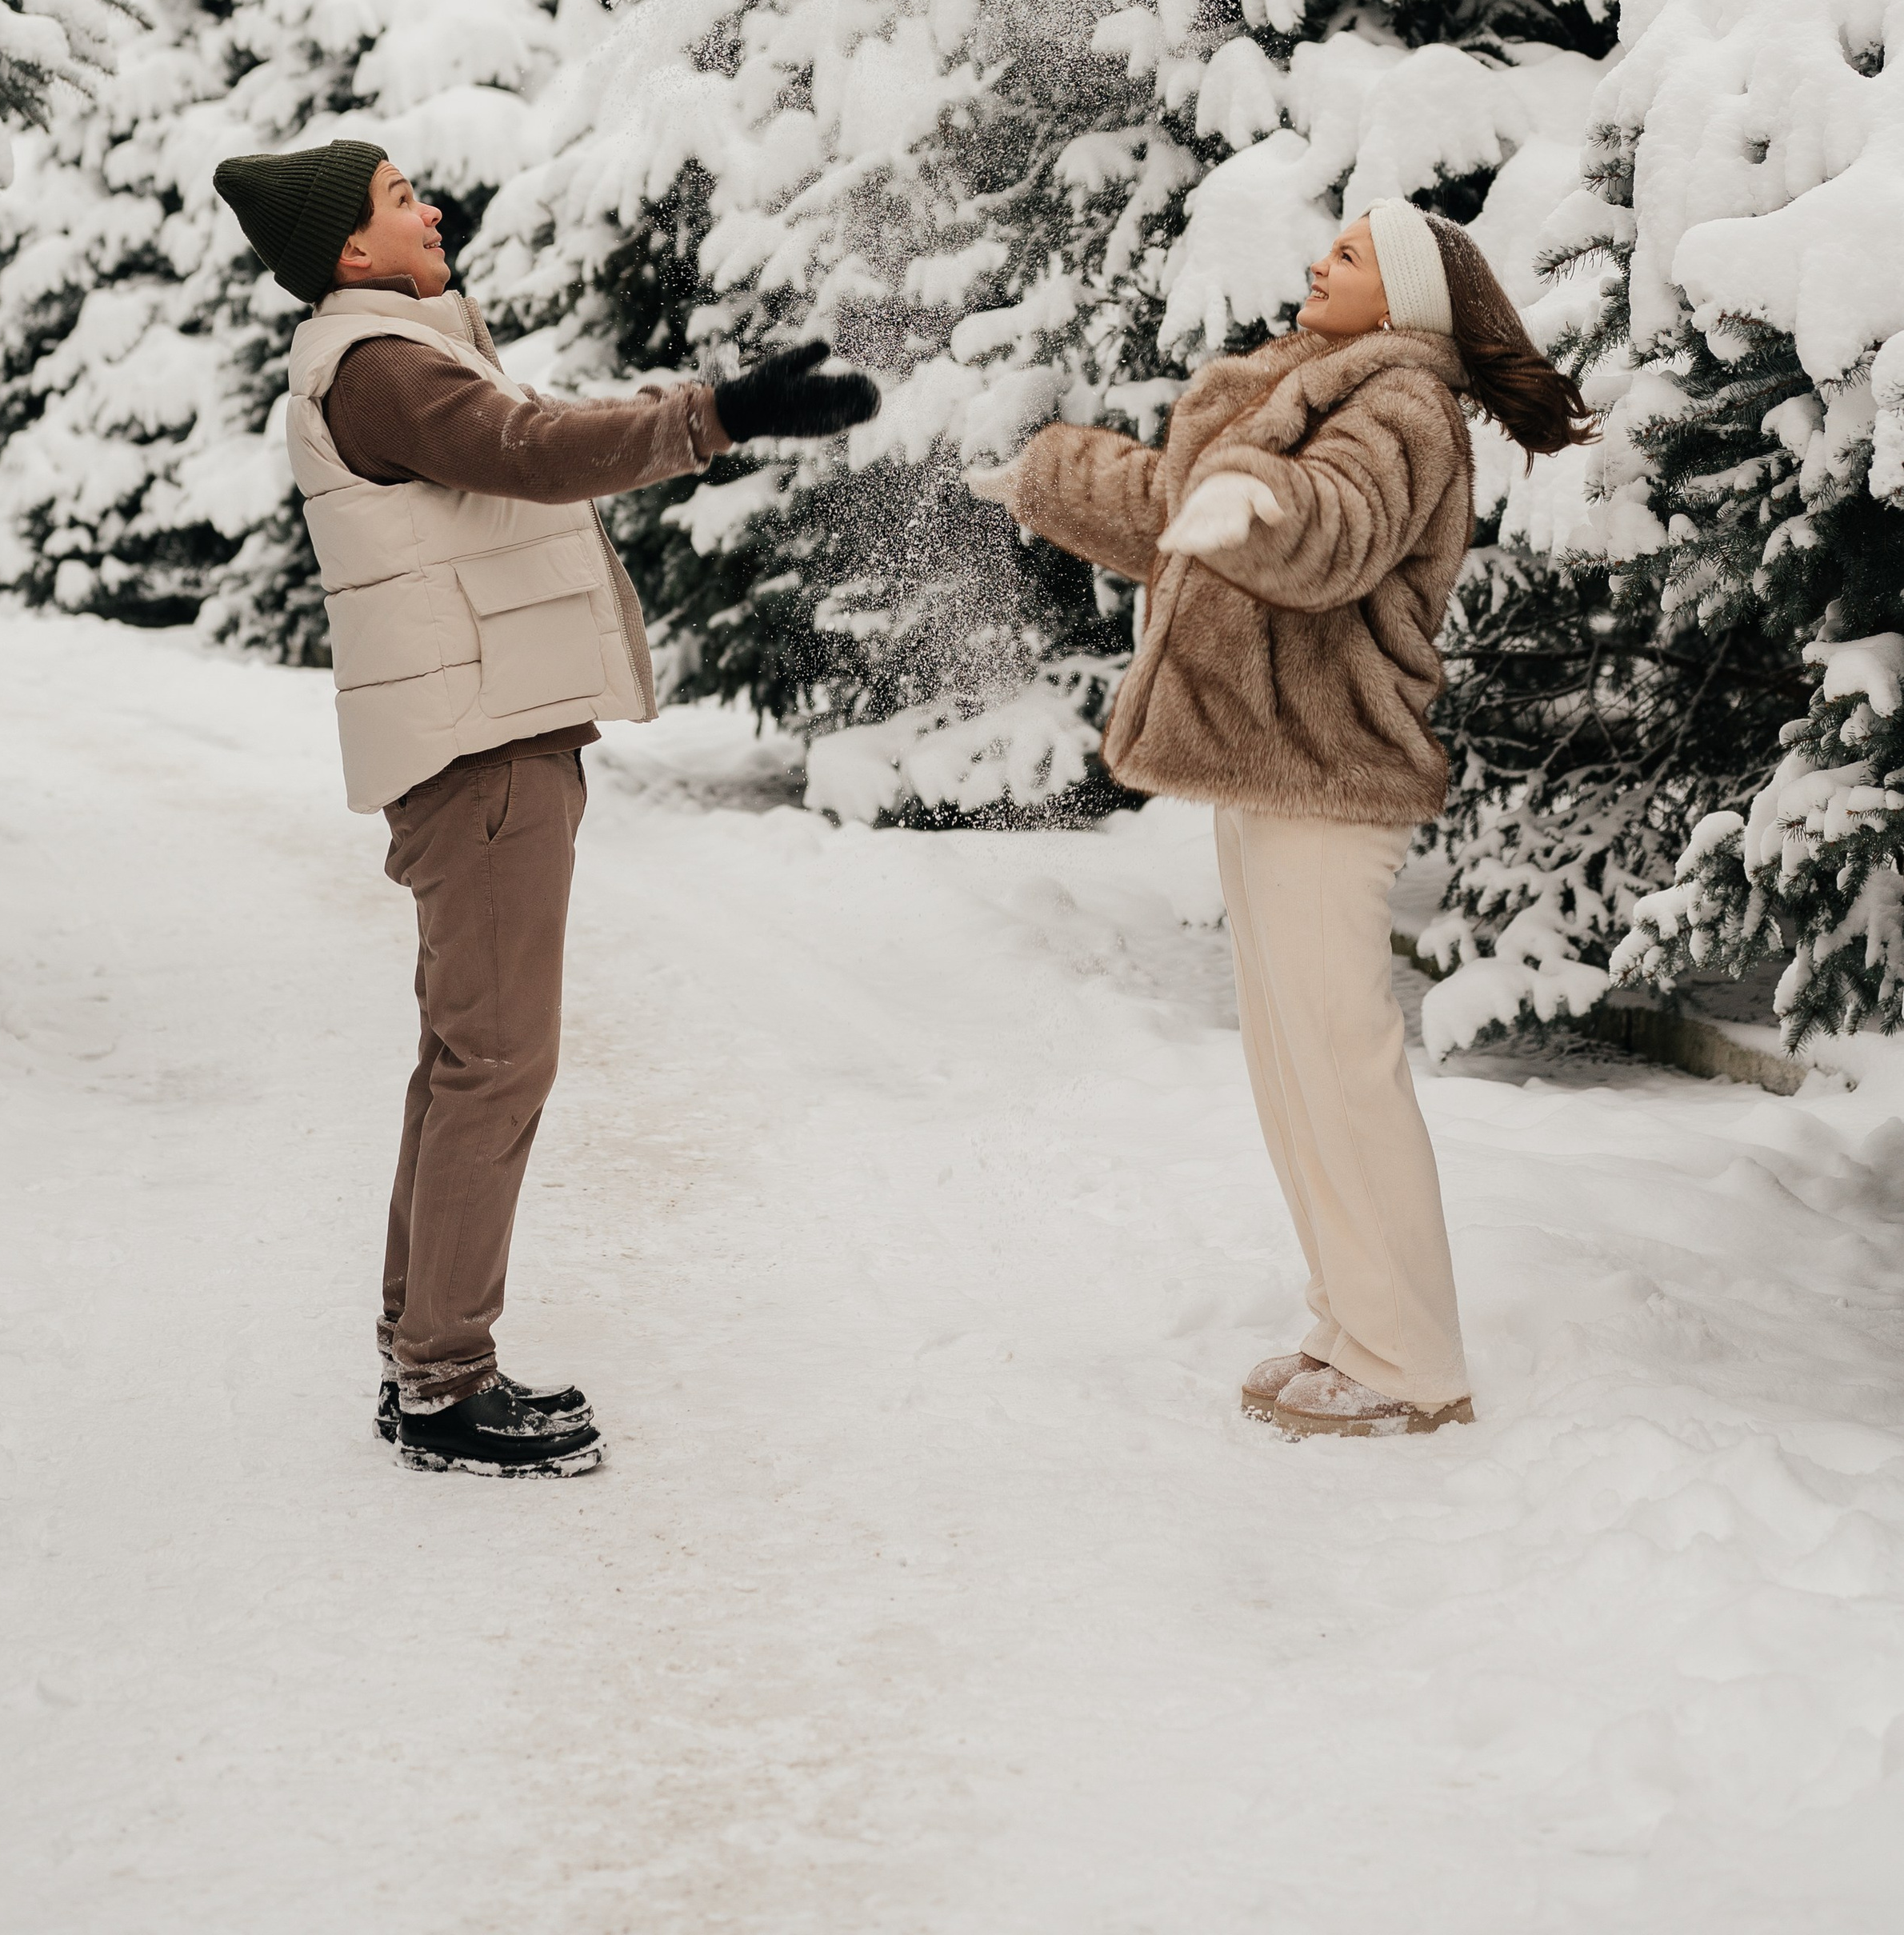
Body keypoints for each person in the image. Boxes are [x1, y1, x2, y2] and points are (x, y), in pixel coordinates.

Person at [212, 138, 878, 1478]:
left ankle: (423, 1354)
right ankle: (449, 1381)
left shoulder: (395, 350)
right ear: (351, 251)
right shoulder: (384, 367)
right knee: (496, 1062)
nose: (431, 207)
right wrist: (715, 416)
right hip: (482, 754)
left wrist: (702, 408)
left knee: (464, 1056)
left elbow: (528, 427)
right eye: (402, 200)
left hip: (479, 743)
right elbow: (528, 447)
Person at [969, 199, 1593, 1440]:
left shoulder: (1404, 405)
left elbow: (1338, 525)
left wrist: (1258, 511)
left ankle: (1411, 1360)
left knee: (1342, 1064)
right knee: (1292, 1068)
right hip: (1270, 768)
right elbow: (1177, 500)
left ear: (1405, 300)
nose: (1320, 259)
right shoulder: (1309, 386)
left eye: (1351, 255)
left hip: (1337, 771)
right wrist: (1047, 478)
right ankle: (1349, 1318)